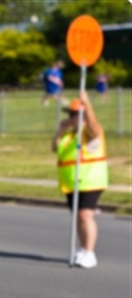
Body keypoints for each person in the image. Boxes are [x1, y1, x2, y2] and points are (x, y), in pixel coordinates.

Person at [51, 90, 108, 269]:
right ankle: (83, 249)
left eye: (75, 114)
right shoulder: (69, 135)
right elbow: (55, 148)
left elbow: (94, 126)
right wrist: (60, 130)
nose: (71, 117)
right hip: (71, 183)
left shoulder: (90, 133)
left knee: (85, 215)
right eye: (70, 114)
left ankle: (90, 253)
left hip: (90, 180)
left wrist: (87, 105)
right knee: (78, 216)